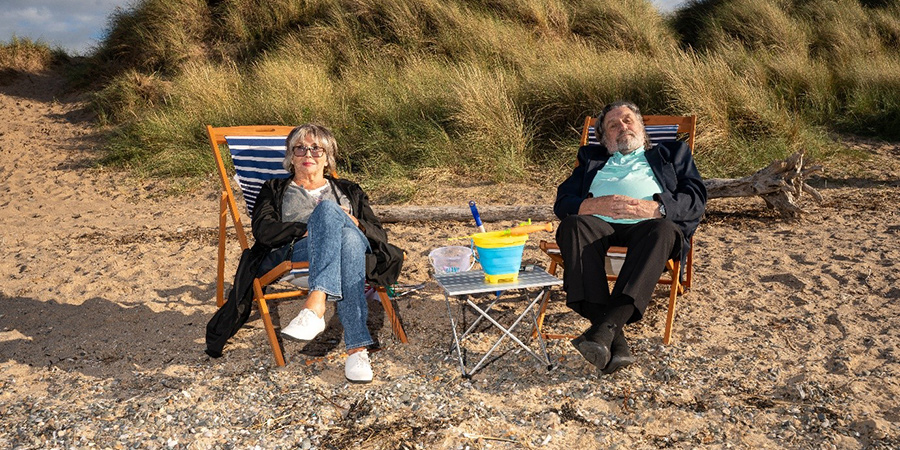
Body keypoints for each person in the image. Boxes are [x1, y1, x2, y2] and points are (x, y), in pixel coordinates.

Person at [205, 123, 404, 384]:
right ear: (290, 156)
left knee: (341, 227)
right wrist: (310, 228)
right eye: (300, 149)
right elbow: (264, 231)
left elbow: (377, 233)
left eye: (316, 149)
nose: (308, 154)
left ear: (328, 156)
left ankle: (315, 305)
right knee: (333, 222)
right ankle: (357, 350)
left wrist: (355, 223)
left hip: (350, 253)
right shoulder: (274, 188)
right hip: (297, 256)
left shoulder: (349, 189)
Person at [553, 101, 706, 375]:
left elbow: (695, 198)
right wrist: (591, 206)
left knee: (664, 230)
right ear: (604, 138)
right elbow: (563, 201)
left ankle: (604, 331)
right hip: (597, 223)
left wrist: (657, 208)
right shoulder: (592, 158)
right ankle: (613, 337)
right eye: (613, 125)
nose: (622, 126)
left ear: (642, 128)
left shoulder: (672, 153)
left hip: (648, 225)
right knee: (573, 226)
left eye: (627, 120)